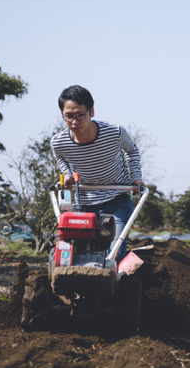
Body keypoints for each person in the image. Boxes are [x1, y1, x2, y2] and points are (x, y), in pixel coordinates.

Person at [50, 85, 144, 264]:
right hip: (85, 202)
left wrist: (136, 178)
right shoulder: (58, 142)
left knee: (115, 253)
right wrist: (68, 175)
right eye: (69, 116)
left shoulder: (114, 132)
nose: (74, 121)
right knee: (80, 254)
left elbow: (132, 151)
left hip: (117, 198)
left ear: (91, 111)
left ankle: (119, 283)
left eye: (80, 115)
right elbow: (60, 158)